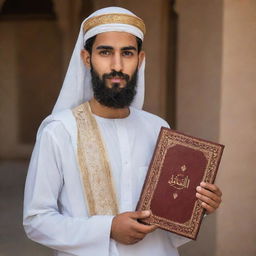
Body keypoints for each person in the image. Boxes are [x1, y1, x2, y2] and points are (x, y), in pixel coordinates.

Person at [23, 6, 222, 256]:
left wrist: (198, 207)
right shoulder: (59, 131)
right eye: (105, 52)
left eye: (127, 53)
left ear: (140, 60)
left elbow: (168, 220)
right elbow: (36, 221)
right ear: (87, 58)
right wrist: (108, 228)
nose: (117, 65)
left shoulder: (158, 128)